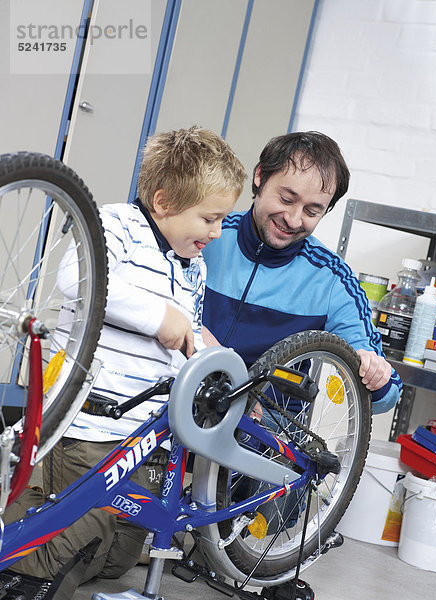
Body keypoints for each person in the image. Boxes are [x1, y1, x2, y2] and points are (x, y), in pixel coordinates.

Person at [4, 126, 246, 585]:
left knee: (111, 556)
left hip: (134, 444)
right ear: (163, 202)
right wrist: (160, 317)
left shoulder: (193, 265)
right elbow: (79, 276)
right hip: (79, 427)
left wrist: (209, 353)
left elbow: (185, 336)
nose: (216, 232)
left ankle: (88, 545)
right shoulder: (117, 226)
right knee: (37, 555)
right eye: (209, 218)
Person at [202, 131, 401, 413]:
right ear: (260, 177)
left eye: (312, 211)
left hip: (262, 439)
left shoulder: (332, 280)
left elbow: (389, 395)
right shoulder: (207, 236)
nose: (293, 220)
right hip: (183, 406)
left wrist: (375, 375)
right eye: (286, 199)